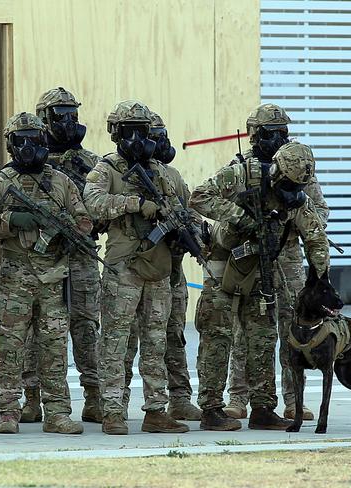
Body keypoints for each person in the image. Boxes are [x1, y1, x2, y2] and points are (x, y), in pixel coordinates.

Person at [190, 140, 329, 431]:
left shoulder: (297, 197)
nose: (290, 193)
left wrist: (321, 276)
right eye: (287, 186)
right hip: (224, 262)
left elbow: (315, 236)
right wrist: (241, 217)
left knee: (262, 336)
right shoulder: (242, 174)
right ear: (276, 171)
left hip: (261, 266)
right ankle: (211, 409)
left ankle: (263, 408)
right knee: (217, 333)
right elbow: (199, 197)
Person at [0, 112, 89, 434]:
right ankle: (8, 412)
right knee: (10, 347)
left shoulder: (61, 182)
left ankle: (56, 413)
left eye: (34, 140)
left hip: (53, 278)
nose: (28, 147)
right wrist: (11, 221)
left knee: (54, 349)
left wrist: (61, 226)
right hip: (16, 277)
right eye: (21, 140)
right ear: (12, 144)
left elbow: (84, 222)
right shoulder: (0, 182)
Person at [83, 100, 191, 435]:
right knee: (115, 342)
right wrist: (135, 204)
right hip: (123, 268)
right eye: (129, 131)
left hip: (157, 268)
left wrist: (182, 231)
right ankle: (113, 411)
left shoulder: (162, 173)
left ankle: (155, 410)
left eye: (142, 132)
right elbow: (93, 203)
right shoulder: (107, 169)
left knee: (155, 342)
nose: (136, 139)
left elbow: (181, 208)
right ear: (116, 133)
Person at [223, 104, 329, 422]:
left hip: (290, 259)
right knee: (246, 331)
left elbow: (320, 213)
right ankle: (239, 397)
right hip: (252, 258)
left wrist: (299, 208)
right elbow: (221, 208)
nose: (279, 139)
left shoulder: (298, 167)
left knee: (294, 329)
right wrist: (246, 218)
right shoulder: (241, 169)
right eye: (272, 133)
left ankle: (294, 400)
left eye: (283, 132)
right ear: (255, 135)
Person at [19, 87, 102, 424]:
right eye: (60, 115)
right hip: (40, 258)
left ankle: (94, 396)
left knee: (85, 325)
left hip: (81, 255)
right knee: (35, 329)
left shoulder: (92, 162)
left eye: (73, 114)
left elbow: (100, 208)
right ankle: (32, 398)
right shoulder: (28, 164)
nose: (68, 122)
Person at [122, 111, 201, 422]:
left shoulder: (172, 177)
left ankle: (179, 398)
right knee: (126, 340)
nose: (162, 143)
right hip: (139, 267)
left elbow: (190, 212)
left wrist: (191, 235)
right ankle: (117, 402)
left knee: (173, 336)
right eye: (156, 136)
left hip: (172, 271)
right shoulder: (124, 174)